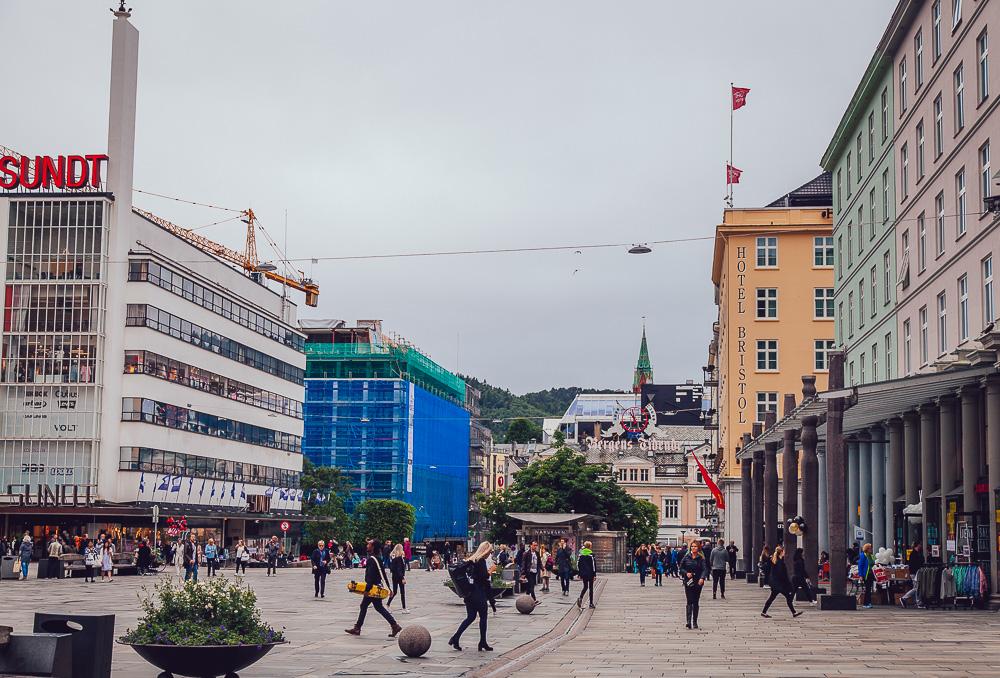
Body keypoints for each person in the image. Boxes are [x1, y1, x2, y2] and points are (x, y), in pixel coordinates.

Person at [344, 540, 402, 638]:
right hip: (376, 587)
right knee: (369, 606)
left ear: (373, 547)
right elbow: (383, 574)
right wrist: (389, 588)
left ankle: (394, 625)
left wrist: (367, 590)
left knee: (374, 607)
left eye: (369, 544)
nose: (367, 545)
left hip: (372, 588)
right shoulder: (378, 559)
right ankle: (358, 627)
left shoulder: (371, 559)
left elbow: (370, 577)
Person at [448, 541, 493, 652]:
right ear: (485, 551)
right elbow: (483, 577)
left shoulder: (471, 560)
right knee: (483, 617)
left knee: (471, 617)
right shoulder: (480, 561)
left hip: (469, 593)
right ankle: (482, 642)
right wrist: (491, 571)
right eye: (490, 551)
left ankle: (455, 638)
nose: (490, 553)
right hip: (478, 593)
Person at [761, 545, 802, 618]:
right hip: (779, 585)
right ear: (781, 552)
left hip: (776, 584)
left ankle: (764, 612)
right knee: (788, 597)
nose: (784, 552)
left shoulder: (775, 560)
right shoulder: (779, 562)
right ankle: (794, 612)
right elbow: (782, 574)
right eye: (783, 551)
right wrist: (788, 583)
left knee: (772, 598)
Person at [679, 541, 709, 629]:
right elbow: (681, 568)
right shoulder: (686, 557)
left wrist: (702, 578)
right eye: (692, 546)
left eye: (695, 546)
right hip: (689, 581)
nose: (693, 548)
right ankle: (688, 621)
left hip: (698, 581)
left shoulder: (701, 558)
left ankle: (694, 621)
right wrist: (686, 573)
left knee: (696, 601)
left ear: (698, 548)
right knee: (689, 600)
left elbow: (705, 569)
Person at [900, 542, 925, 608]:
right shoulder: (914, 554)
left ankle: (917, 602)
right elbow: (915, 564)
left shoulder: (914, 553)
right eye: (920, 545)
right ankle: (904, 598)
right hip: (915, 572)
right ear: (917, 545)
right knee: (916, 588)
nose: (921, 546)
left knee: (916, 587)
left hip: (914, 572)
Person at [387, 544, 408, 613]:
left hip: (394, 576)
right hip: (399, 576)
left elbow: (391, 568)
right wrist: (402, 578)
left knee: (394, 591)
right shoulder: (399, 558)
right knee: (402, 593)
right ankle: (404, 608)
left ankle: (388, 604)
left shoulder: (393, 558)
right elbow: (399, 569)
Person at [576, 541, 597, 609]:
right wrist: (594, 574)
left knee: (585, 587)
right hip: (590, 573)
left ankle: (580, 598)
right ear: (590, 546)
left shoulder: (581, 555)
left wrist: (579, 573)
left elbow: (578, 565)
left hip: (584, 574)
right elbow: (593, 566)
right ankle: (591, 603)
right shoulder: (591, 555)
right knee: (591, 588)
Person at [857, 542, 876, 609]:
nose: (872, 549)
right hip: (866, 575)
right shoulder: (863, 555)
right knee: (867, 589)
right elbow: (860, 566)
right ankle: (866, 603)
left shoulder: (871, 556)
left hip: (871, 575)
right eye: (870, 548)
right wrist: (861, 575)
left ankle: (868, 602)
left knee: (869, 589)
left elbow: (873, 563)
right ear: (867, 549)